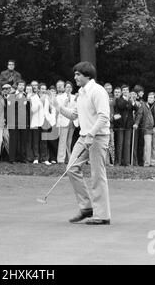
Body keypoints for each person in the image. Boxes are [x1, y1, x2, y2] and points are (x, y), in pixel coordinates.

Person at [52, 61, 111, 225]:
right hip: (84, 136)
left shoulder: (97, 91)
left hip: (98, 137)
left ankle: (102, 215)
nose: (75, 77)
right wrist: (58, 107)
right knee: (71, 168)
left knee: (97, 174)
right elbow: (74, 115)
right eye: (75, 74)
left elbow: (104, 116)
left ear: (88, 75)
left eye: (78, 74)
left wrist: (91, 134)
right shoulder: (81, 93)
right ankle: (86, 208)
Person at [133, 92, 155, 167]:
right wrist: (136, 123)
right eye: (148, 97)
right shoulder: (143, 106)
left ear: (154, 99)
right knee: (147, 146)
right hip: (147, 128)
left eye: (151, 98)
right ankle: (147, 163)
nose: (149, 99)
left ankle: (153, 163)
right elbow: (139, 115)